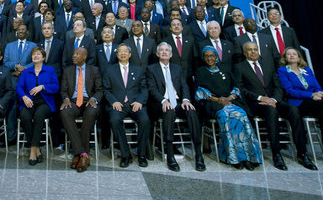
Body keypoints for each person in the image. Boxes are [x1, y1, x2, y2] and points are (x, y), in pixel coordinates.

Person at [233, 42, 317, 171]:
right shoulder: (239, 67)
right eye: (250, 50)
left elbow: (278, 86)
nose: (253, 52)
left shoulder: (268, 65)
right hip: (256, 103)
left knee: (293, 110)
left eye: (255, 49)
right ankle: (276, 153)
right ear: (245, 53)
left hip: (273, 100)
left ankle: (302, 153)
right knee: (271, 112)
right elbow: (241, 89)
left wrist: (273, 99)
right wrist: (261, 98)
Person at [194, 46, 261, 171]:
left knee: (242, 115)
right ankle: (234, 157)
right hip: (214, 103)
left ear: (216, 56)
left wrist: (229, 98)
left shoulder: (226, 69)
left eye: (212, 55)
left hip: (231, 101)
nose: (209, 58)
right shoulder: (201, 71)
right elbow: (199, 91)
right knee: (226, 116)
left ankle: (249, 157)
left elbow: (236, 87)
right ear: (203, 58)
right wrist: (218, 100)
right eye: (207, 56)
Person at [146, 42, 205, 171]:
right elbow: (152, 89)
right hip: (161, 103)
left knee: (191, 111)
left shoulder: (177, 68)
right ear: (157, 54)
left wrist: (185, 100)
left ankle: (198, 154)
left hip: (178, 101)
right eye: (161, 50)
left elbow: (184, 85)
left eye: (167, 50)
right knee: (169, 111)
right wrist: (163, 100)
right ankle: (170, 153)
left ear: (171, 54)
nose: (164, 52)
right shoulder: (151, 69)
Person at [103, 44, 151, 168]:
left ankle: (141, 155)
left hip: (135, 104)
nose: (123, 53)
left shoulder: (139, 70)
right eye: (120, 51)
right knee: (114, 120)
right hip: (118, 104)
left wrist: (140, 101)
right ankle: (125, 154)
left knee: (145, 120)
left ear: (130, 54)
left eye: (125, 51)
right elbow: (106, 90)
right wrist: (113, 101)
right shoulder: (110, 70)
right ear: (117, 54)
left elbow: (144, 88)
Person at [60, 47, 102, 172]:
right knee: (64, 112)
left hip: (88, 100)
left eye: (77, 54)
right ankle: (83, 154)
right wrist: (66, 99)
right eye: (73, 54)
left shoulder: (94, 70)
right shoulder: (67, 71)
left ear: (84, 57)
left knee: (91, 112)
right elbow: (63, 90)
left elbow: (100, 90)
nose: (74, 56)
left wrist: (94, 98)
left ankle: (78, 155)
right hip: (73, 101)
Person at [16, 47, 59, 165]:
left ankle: (32, 150)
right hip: (29, 101)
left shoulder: (50, 70)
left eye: (38, 54)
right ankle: (36, 149)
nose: (35, 56)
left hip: (45, 102)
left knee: (39, 116)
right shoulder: (26, 72)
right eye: (34, 54)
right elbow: (19, 87)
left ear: (43, 58)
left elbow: (56, 87)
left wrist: (43, 86)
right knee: (24, 115)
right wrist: (24, 97)